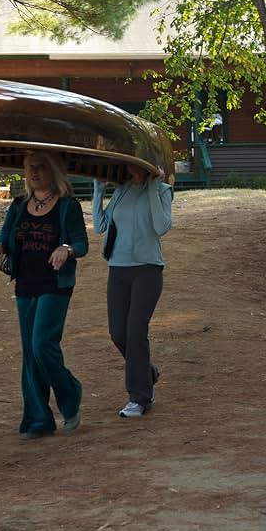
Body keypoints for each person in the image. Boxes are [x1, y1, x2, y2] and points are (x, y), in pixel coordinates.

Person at [0, 151, 88, 439]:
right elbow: (6, 236)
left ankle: (70, 394)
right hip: (25, 284)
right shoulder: (19, 205)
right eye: (31, 167)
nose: (34, 172)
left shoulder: (68, 206)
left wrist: (65, 248)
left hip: (55, 284)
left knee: (42, 344)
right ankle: (38, 420)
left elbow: (81, 243)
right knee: (30, 353)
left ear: (54, 171)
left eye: (41, 167)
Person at [92, 165, 172, 417]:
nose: (131, 167)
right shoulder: (121, 191)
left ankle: (139, 397)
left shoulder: (162, 190)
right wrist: (98, 189)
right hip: (118, 268)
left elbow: (161, 227)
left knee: (136, 331)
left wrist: (151, 186)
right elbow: (99, 226)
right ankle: (147, 373)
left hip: (147, 269)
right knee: (118, 333)